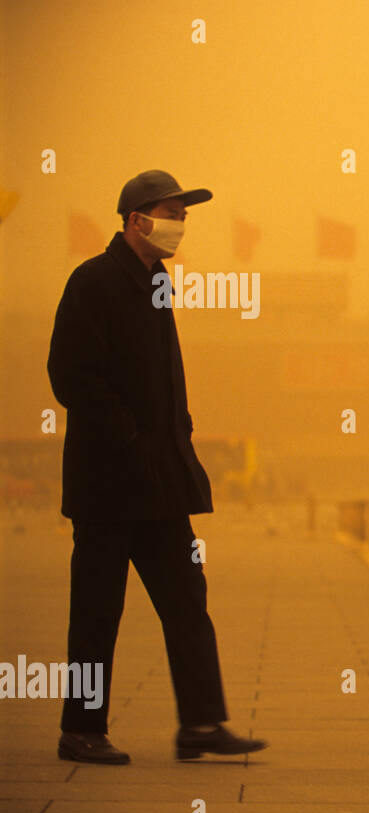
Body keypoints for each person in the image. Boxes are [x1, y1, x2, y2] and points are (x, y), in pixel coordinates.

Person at [47, 170, 267, 764]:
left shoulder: (158, 282)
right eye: (172, 213)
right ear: (136, 219)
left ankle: (200, 724)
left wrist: (177, 438)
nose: (181, 225)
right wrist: (130, 437)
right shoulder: (92, 281)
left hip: (160, 482)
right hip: (106, 485)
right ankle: (81, 729)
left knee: (186, 601)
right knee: (97, 610)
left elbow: (165, 375)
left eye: (185, 214)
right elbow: (72, 377)